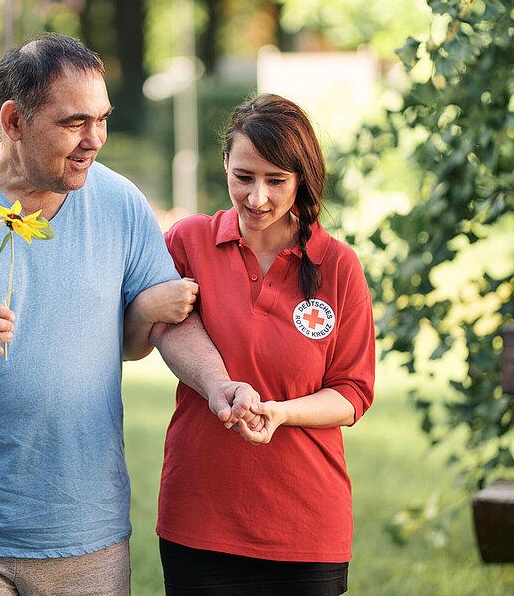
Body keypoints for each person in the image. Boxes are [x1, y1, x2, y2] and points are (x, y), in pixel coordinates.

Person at [0, 33, 259, 596]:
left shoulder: (120, 203)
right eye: (74, 123)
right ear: (14, 121)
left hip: (85, 526)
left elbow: (168, 318)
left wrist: (216, 383)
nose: (94, 141)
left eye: (102, 119)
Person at [151, 94, 376, 595]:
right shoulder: (188, 242)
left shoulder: (338, 266)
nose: (257, 198)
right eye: (244, 177)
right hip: (200, 513)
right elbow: (161, 330)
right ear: (225, 164)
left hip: (305, 525)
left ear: (302, 180)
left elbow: (353, 392)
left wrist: (280, 413)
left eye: (276, 180)